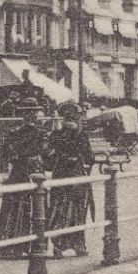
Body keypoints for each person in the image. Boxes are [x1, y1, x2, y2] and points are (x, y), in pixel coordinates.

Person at [0, 101, 50, 259]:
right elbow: (44, 152)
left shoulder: (14, 133)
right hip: (32, 171)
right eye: (32, 113)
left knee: (15, 205)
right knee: (33, 204)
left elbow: (5, 154)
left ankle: (11, 244)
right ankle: (32, 244)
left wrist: (15, 157)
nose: (32, 116)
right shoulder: (39, 133)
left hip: (18, 171)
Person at [45, 104, 95, 258]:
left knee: (58, 208)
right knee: (78, 210)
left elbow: (49, 158)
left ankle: (58, 244)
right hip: (77, 175)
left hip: (60, 175)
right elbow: (89, 157)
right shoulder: (81, 135)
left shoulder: (56, 134)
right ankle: (78, 244)